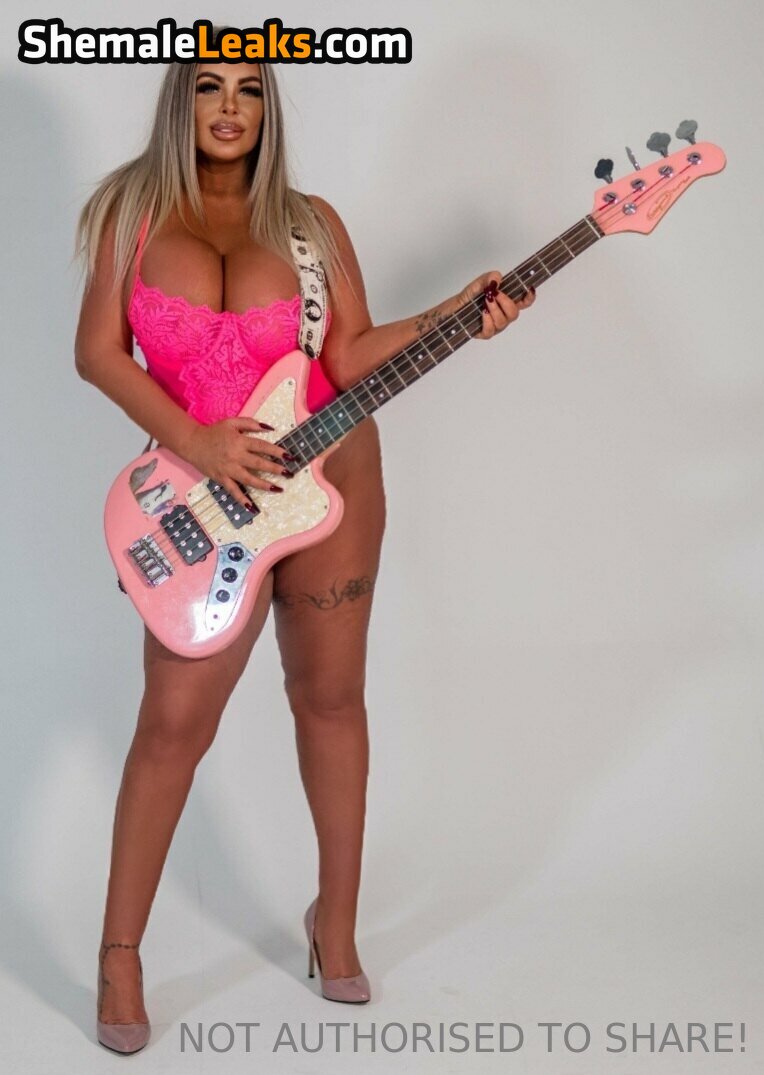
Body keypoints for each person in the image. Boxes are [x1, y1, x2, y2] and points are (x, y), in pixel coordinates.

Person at [74, 47, 536, 1055]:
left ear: (267, 107)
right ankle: (119, 953)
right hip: (205, 504)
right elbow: (97, 353)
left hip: (335, 483)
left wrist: (457, 314)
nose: (229, 107)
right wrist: (196, 441)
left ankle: (335, 923)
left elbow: (350, 355)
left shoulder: (310, 224)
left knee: (329, 699)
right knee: (171, 724)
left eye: (249, 89)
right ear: (181, 100)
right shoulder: (129, 214)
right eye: (209, 86)